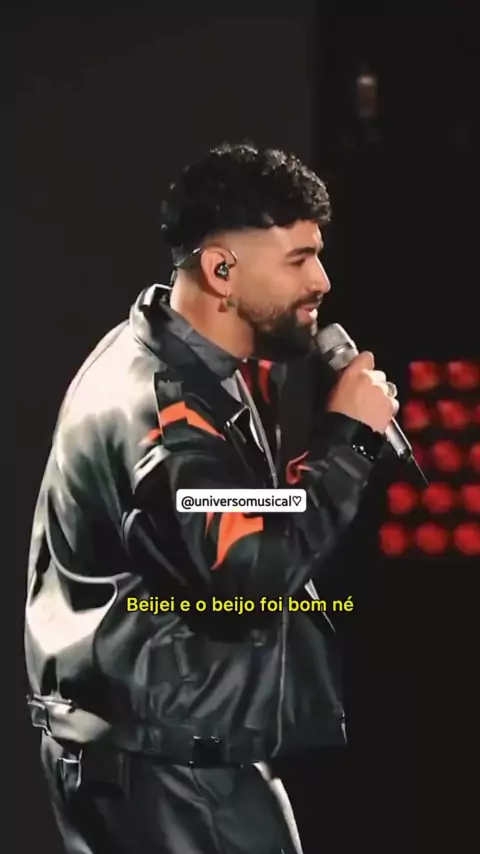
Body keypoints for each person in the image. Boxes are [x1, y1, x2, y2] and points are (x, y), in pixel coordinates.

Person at [24, 141, 399, 854]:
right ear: (221, 270)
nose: (321, 280)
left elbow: (230, 522)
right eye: (298, 259)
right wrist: (349, 443)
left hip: (167, 755)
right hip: (167, 773)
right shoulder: (163, 407)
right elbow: (246, 568)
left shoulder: (189, 364)